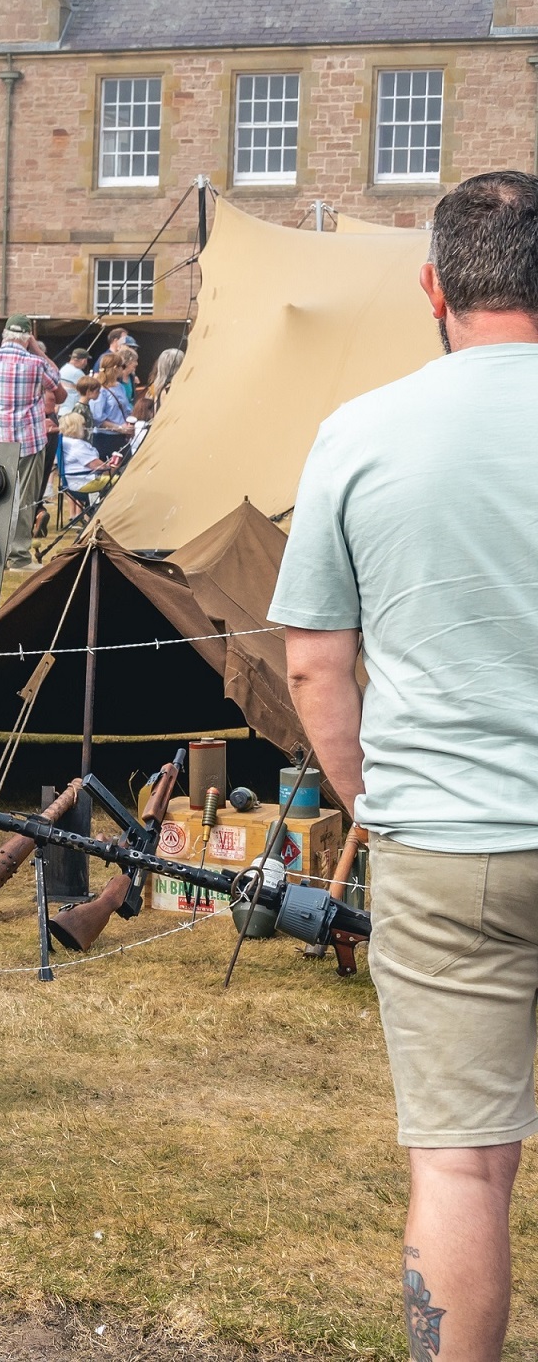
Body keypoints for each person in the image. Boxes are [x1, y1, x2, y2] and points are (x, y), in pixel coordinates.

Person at [273, 171, 538, 1362]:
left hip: (444, 841)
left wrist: (370, 806)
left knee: (460, 1165)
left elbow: (315, 667)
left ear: (431, 285)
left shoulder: (360, 431)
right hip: (452, 826)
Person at [0, 314, 52, 563]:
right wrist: (38, 350)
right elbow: (57, 382)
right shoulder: (36, 363)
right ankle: (18, 555)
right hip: (29, 437)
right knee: (26, 497)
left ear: (4, 335)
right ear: (28, 338)